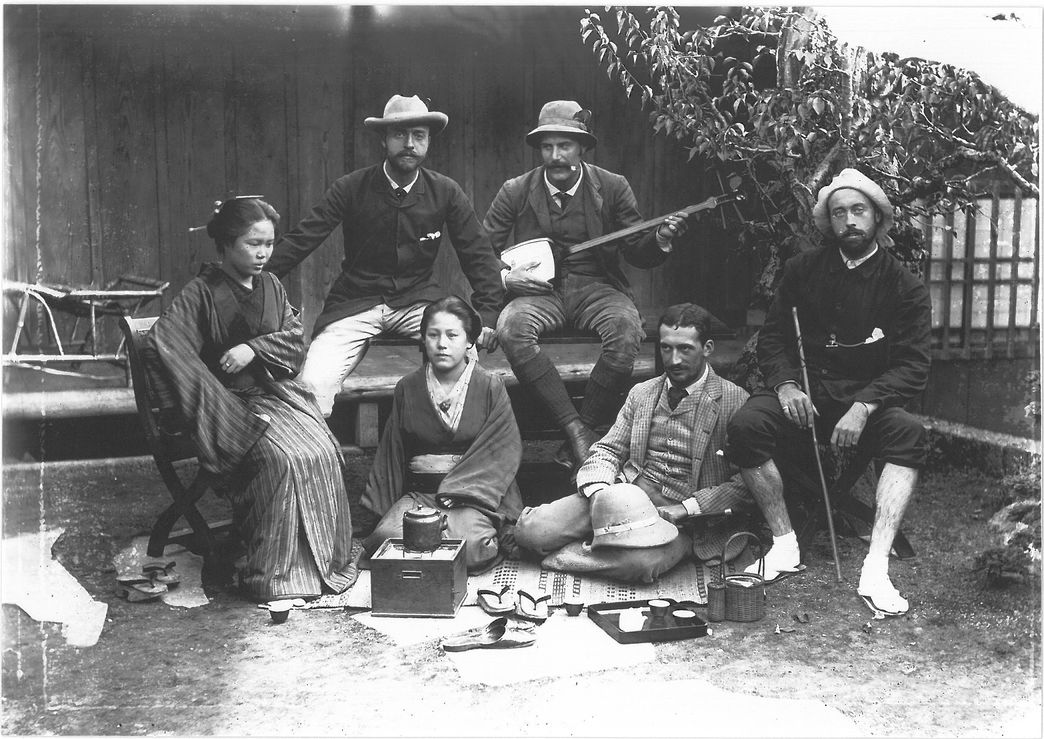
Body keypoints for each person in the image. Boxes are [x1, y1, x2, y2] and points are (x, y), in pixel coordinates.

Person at [725, 168, 932, 617]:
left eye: (859, 211)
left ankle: (876, 566)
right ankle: (784, 544)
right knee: (746, 425)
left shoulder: (904, 285)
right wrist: (784, 385)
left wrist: (864, 405)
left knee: (909, 434)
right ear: (829, 222)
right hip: (806, 393)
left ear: (878, 218)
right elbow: (774, 337)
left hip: (868, 399)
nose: (850, 221)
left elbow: (914, 364)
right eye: (839, 213)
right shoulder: (803, 270)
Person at [145, 197, 356, 602]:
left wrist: (254, 349)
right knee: (280, 459)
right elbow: (164, 344)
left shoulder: (272, 286)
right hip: (227, 407)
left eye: (269, 244)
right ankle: (274, 573)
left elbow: (295, 340)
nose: (262, 254)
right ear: (225, 244)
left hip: (272, 396)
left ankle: (323, 563)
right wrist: (210, 399)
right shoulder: (199, 294)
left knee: (323, 449)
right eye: (252, 244)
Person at [266, 94, 505, 416]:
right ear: (384, 140)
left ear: (429, 141)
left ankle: (449, 453)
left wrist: (488, 314)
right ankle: (317, 460)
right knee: (311, 386)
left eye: (418, 136)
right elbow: (301, 239)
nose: (409, 144)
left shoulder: (444, 191)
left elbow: (477, 253)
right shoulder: (350, 187)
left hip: (418, 301)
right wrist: (251, 281)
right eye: (399, 135)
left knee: (465, 363)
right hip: (355, 302)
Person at [483, 100, 690, 470]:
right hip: (537, 292)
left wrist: (659, 238)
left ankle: (588, 424)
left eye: (565, 146)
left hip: (598, 286)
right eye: (547, 147)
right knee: (511, 328)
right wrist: (506, 277)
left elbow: (637, 250)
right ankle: (576, 430)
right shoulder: (515, 190)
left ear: (581, 147)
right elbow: (481, 253)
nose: (555, 156)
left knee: (627, 332)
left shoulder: (612, 187)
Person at [513, 304, 754, 582]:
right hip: (625, 496)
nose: (673, 360)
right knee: (531, 531)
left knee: (640, 563)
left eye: (685, 349)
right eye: (666, 348)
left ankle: (570, 554)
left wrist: (686, 509)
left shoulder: (735, 401)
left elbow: (744, 485)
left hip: (683, 519)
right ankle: (602, 541)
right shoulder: (642, 393)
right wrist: (602, 495)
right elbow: (607, 449)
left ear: (708, 347)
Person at [361, 296, 523, 573]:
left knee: (474, 549)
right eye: (433, 335)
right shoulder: (408, 387)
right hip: (421, 495)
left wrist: (454, 481)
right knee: (385, 540)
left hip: (474, 495)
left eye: (452, 335)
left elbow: (502, 448)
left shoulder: (489, 386)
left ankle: (448, 537)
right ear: (423, 339)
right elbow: (393, 450)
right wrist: (380, 509)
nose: (442, 343)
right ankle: (438, 539)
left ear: (470, 341)